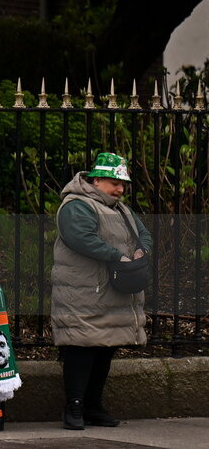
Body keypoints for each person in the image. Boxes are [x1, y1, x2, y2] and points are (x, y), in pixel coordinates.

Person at [51, 152, 151, 431]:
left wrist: (142, 251)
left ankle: (93, 406)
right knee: (81, 349)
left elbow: (143, 234)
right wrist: (118, 256)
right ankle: (74, 407)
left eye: (123, 184)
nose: (120, 189)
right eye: (114, 183)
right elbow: (82, 238)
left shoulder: (121, 209)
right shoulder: (76, 205)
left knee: (105, 349)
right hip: (83, 292)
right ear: (96, 180)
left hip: (110, 291)